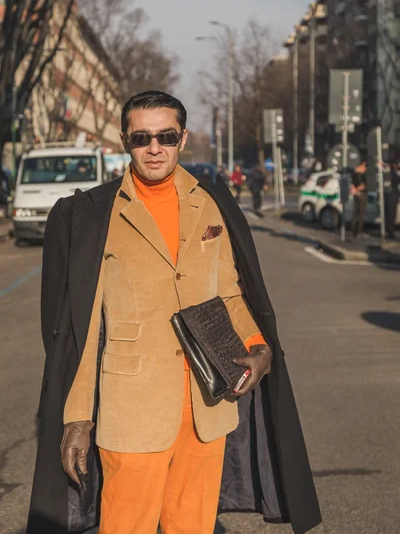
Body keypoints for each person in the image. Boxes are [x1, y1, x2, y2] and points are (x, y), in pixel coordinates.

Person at [28, 91, 321, 534]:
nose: (154, 147)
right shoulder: (93, 214)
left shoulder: (210, 202)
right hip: (132, 410)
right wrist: (78, 417)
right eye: (141, 137)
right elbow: (81, 328)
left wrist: (258, 345)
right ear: (125, 139)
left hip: (208, 404)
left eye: (166, 135)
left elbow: (230, 292)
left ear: (182, 138)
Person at [382, 159, 400, 239]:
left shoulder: (385, 173)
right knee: (391, 215)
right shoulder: (393, 173)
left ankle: (386, 231)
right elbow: (396, 180)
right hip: (392, 196)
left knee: (387, 215)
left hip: (387, 195)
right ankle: (390, 232)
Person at [351, 160, 368, 238]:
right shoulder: (362, 175)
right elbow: (363, 186)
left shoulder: (354, 174)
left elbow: (352, 185)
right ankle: (357, 232)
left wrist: (355, 190)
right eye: (364, 166)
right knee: (360, 215)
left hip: (356, 195)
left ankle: (354, 231)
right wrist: (358, 189)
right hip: (361, 195)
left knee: (356, 214)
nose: (365, 168)